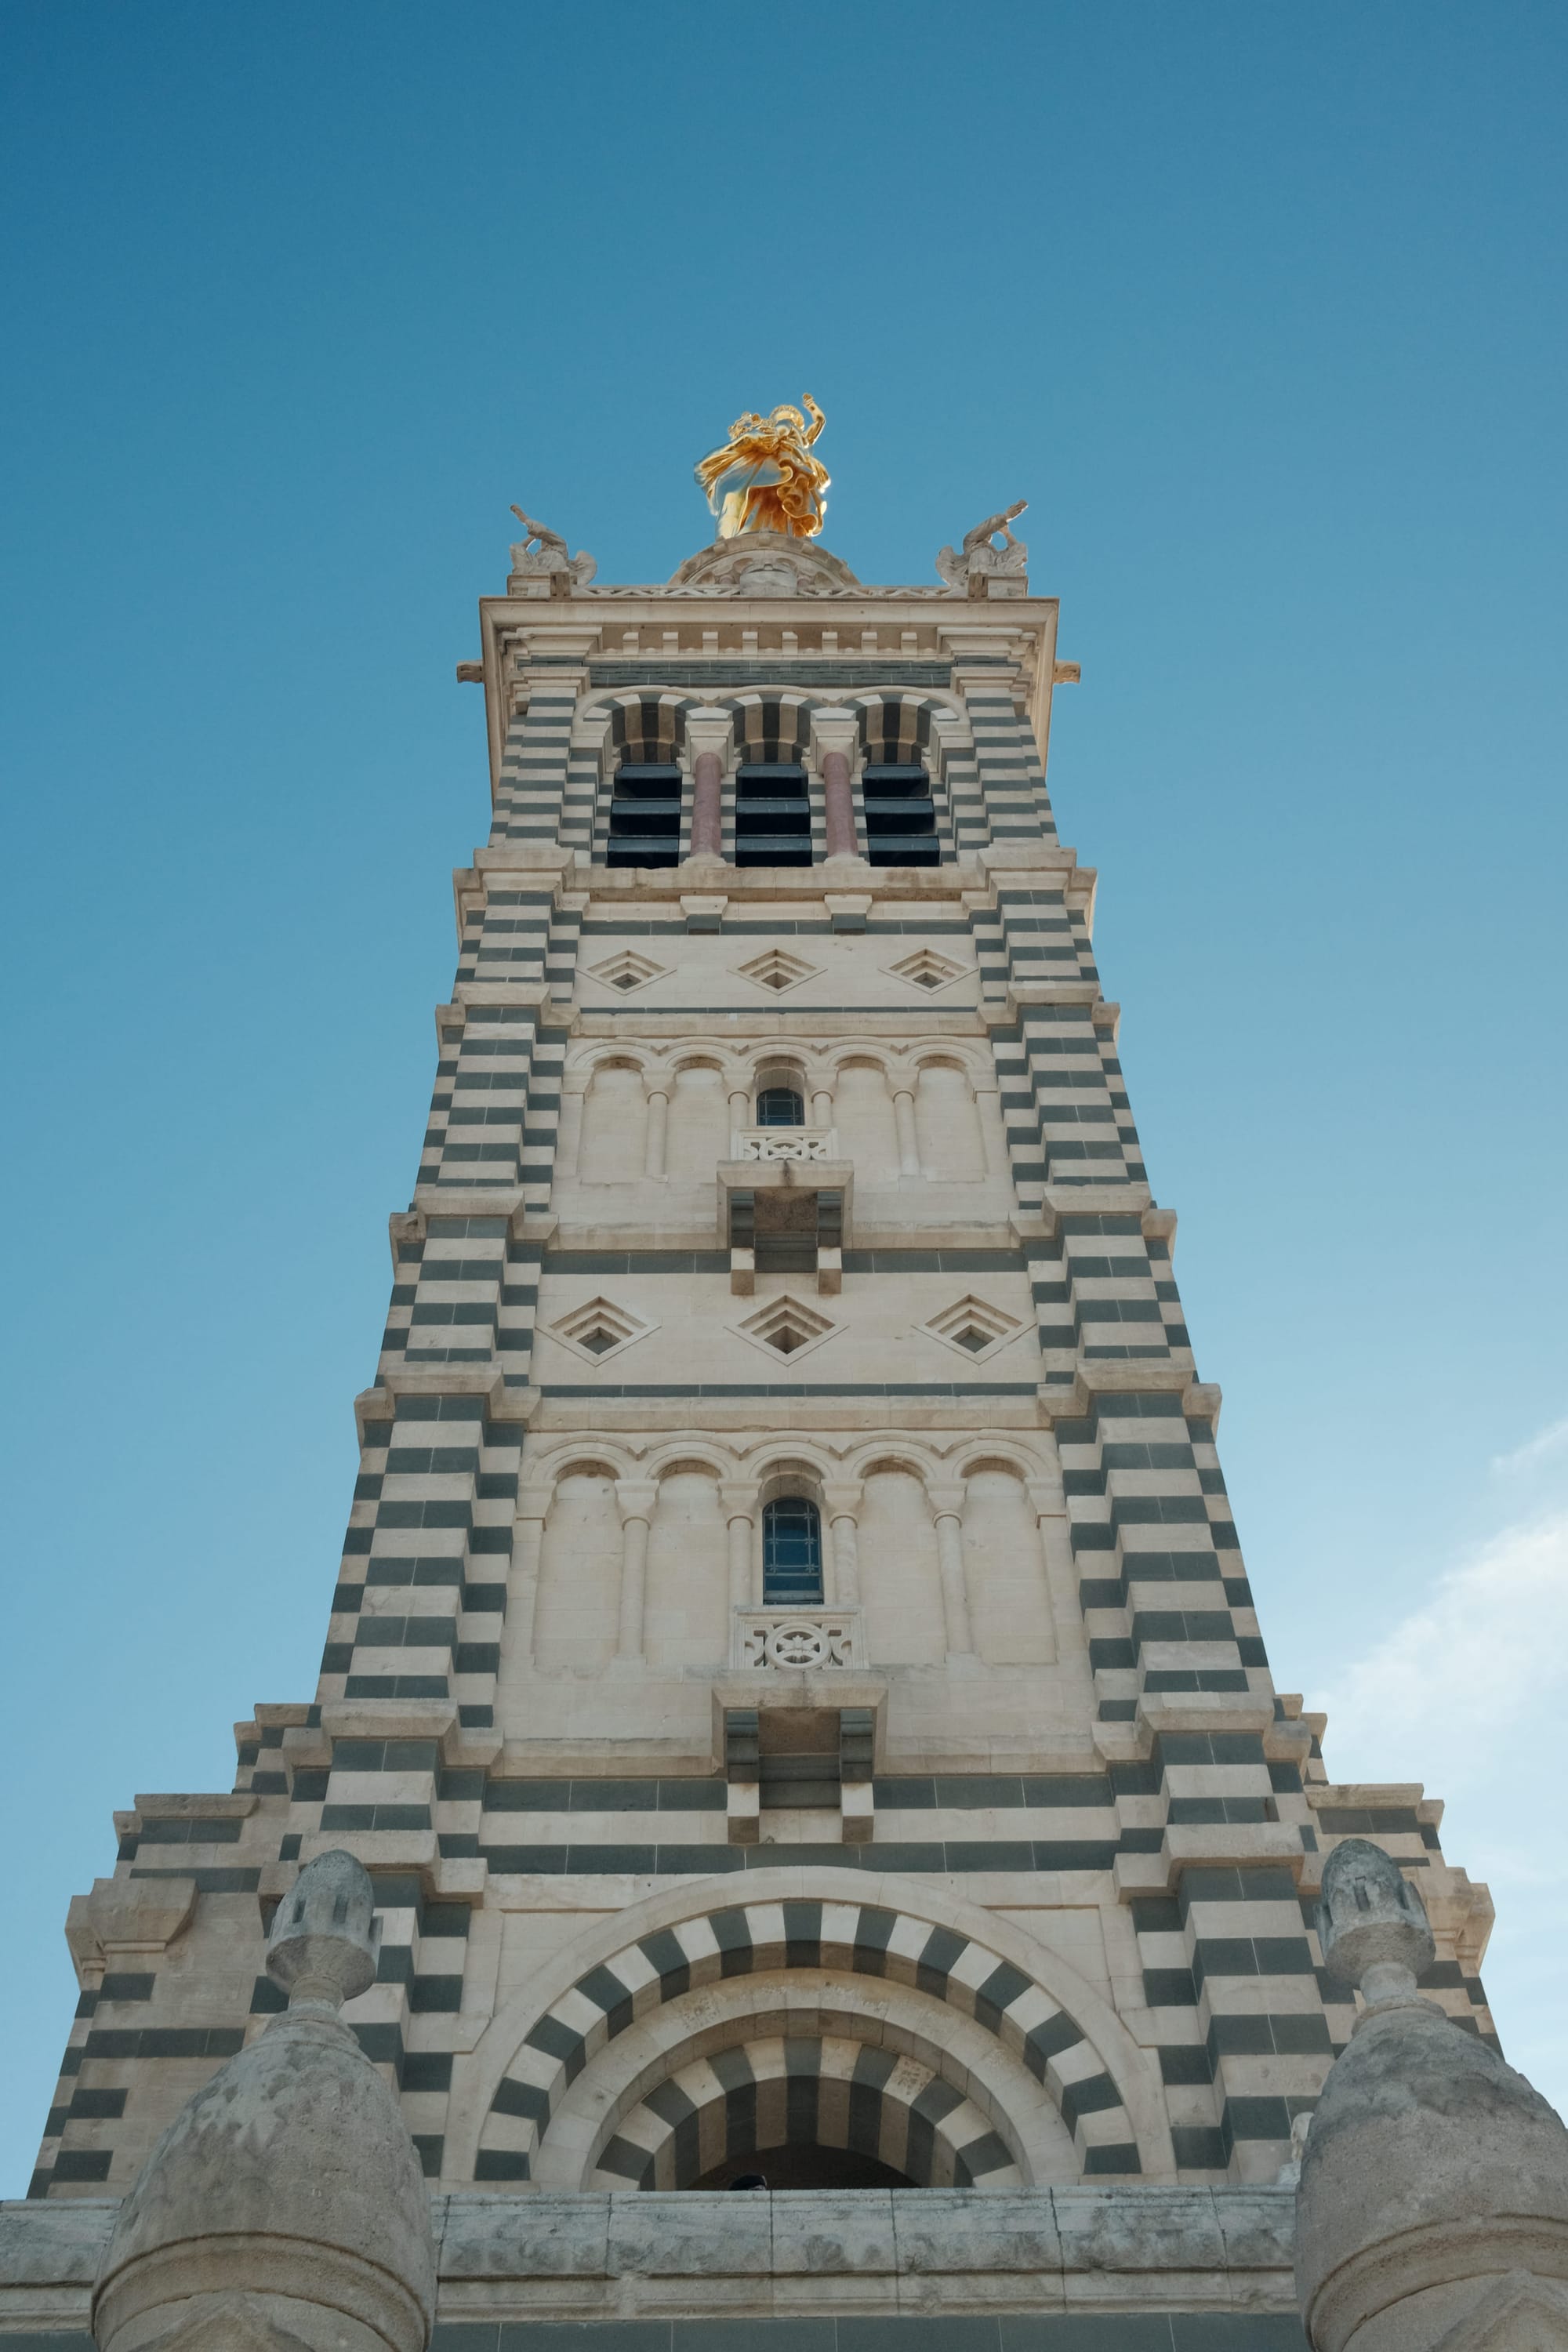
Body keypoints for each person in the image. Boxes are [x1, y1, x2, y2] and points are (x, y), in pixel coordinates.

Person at [695, 399, 829, 539]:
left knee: (776, 496)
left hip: (791, 464)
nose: (787, 418)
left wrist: (811, 406)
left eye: (791, 416)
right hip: (782, 462)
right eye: (783, 416)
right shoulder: (782, 432)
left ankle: (766, 530)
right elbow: (816, 423)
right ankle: (755, 528)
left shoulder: (802, 438)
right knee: (766, 492)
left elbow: (819, 422)